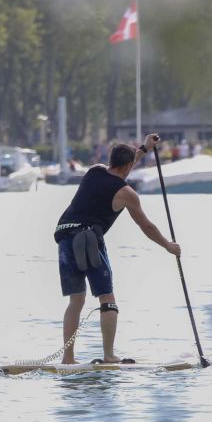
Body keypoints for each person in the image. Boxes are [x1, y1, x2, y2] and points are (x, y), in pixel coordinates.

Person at [54, 134, 181, 365]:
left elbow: (123, 167)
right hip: (88, 239)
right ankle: (109, 355)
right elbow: (147, 226)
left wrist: (144, 148)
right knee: (107, 298)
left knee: (76, 301)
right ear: (128, 166)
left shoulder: (95, 170)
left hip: (64, 235)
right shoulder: (126, 193)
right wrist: (168, 246)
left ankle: (68, 359)